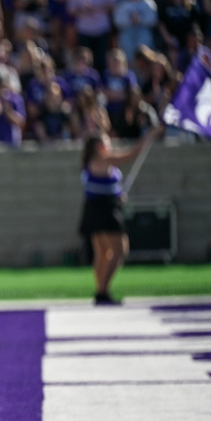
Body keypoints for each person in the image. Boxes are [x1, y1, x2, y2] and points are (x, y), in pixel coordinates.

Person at [78, 126, 162, 305]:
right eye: (106, 141)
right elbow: (131, 155)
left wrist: (117, 194)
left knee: (103, 253)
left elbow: (105, 186)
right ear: (99, 146)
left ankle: (100, 291)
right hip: (104, 211)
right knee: (119, 250)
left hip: (97, 209)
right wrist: (149, 136)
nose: (109, 143)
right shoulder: (102, 159)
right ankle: (102, 292)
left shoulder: (93, 162)